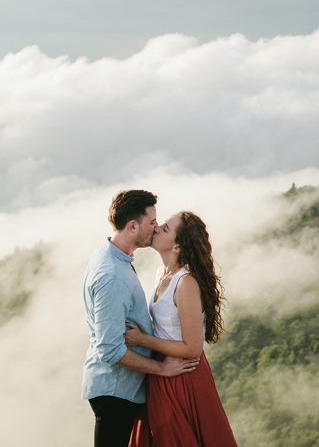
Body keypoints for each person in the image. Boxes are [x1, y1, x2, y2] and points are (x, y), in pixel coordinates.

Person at [83, 190, 200, 447]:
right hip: (116, 390)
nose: (156, 227)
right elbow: (111, 350)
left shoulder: (114, 258)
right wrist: (162, 369)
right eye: (152, 222)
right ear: (133, 225)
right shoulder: (112, 275)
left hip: (123, 388)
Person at [125, 210, 238, 447]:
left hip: (183, 377)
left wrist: (142, 340)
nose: (156, 228)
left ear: (176, 247)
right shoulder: (161, 274)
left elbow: (192, 348)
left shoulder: (185, 283)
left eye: (165, 228)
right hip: (163, 372)